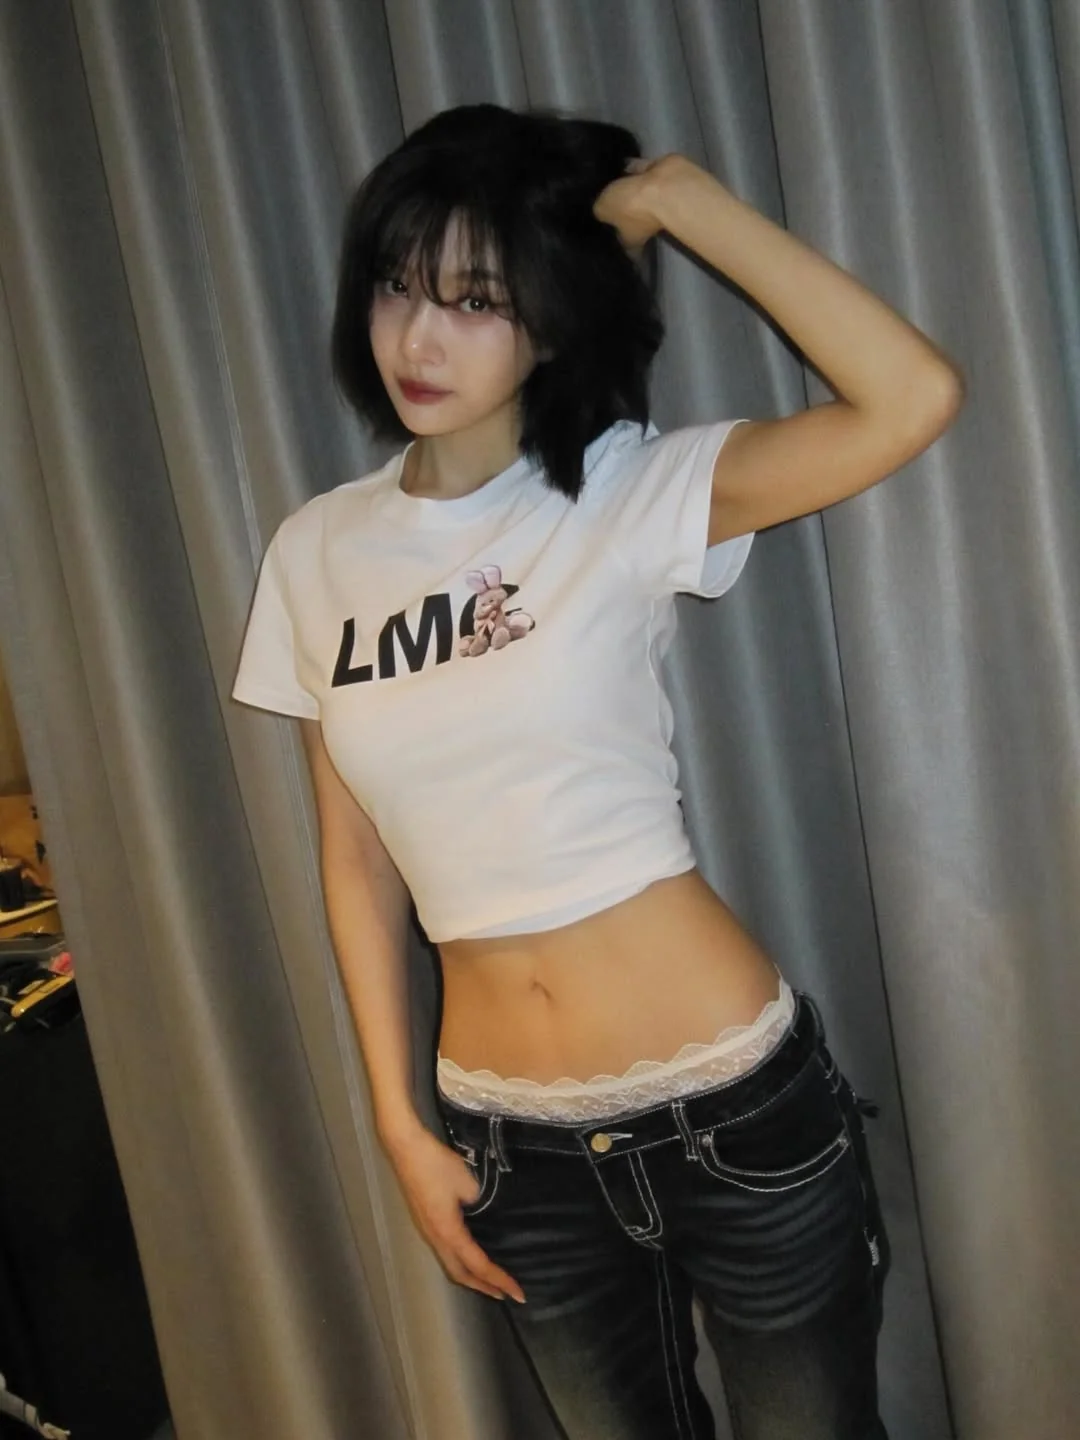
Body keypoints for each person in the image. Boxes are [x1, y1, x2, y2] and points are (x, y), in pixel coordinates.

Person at [232, 103, 963, 1440]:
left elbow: (913, 397)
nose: (418, 338)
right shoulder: (316, 552)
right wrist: (400, 1123)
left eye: (477, 300)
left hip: (732, 1110)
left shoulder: (625, 490)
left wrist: (681, 201)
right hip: (510, 1147)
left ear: (553, 319)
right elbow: (355, 855)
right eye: (398, 287)